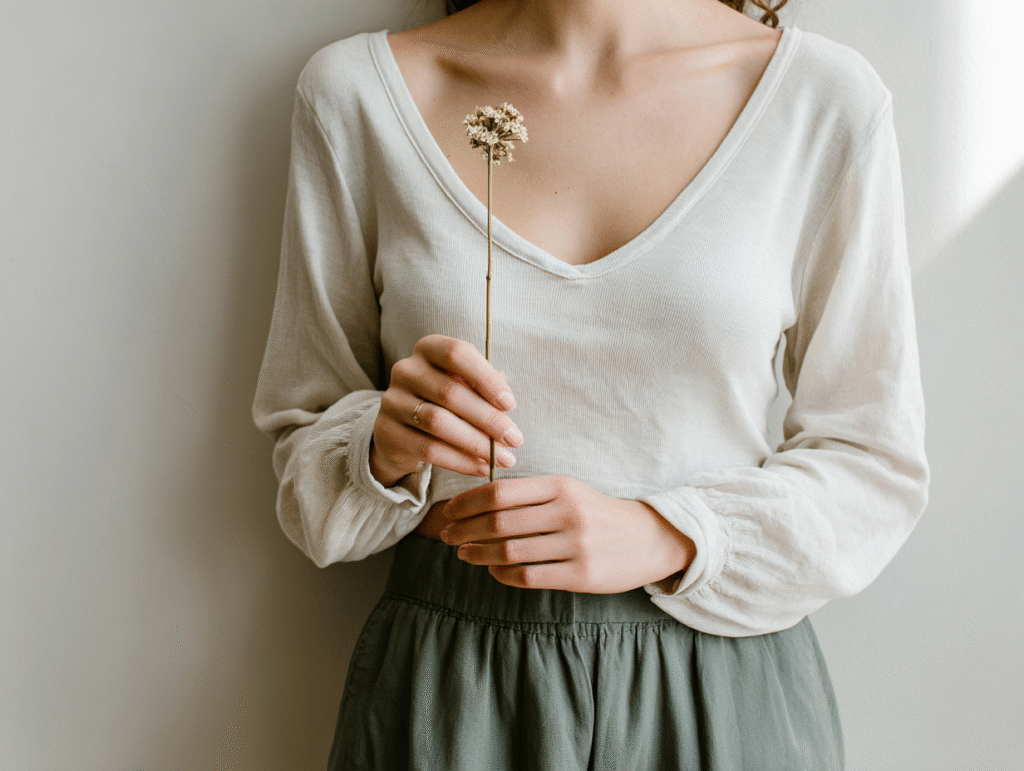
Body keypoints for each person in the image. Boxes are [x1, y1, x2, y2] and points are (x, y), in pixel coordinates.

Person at [251, 0, 930, 767]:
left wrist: (671, 534)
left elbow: (875, 465)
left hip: (718, 691)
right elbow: (305, 458)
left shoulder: (823, 99)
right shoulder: (356, 93)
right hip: (454, 690)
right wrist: (383, 444)